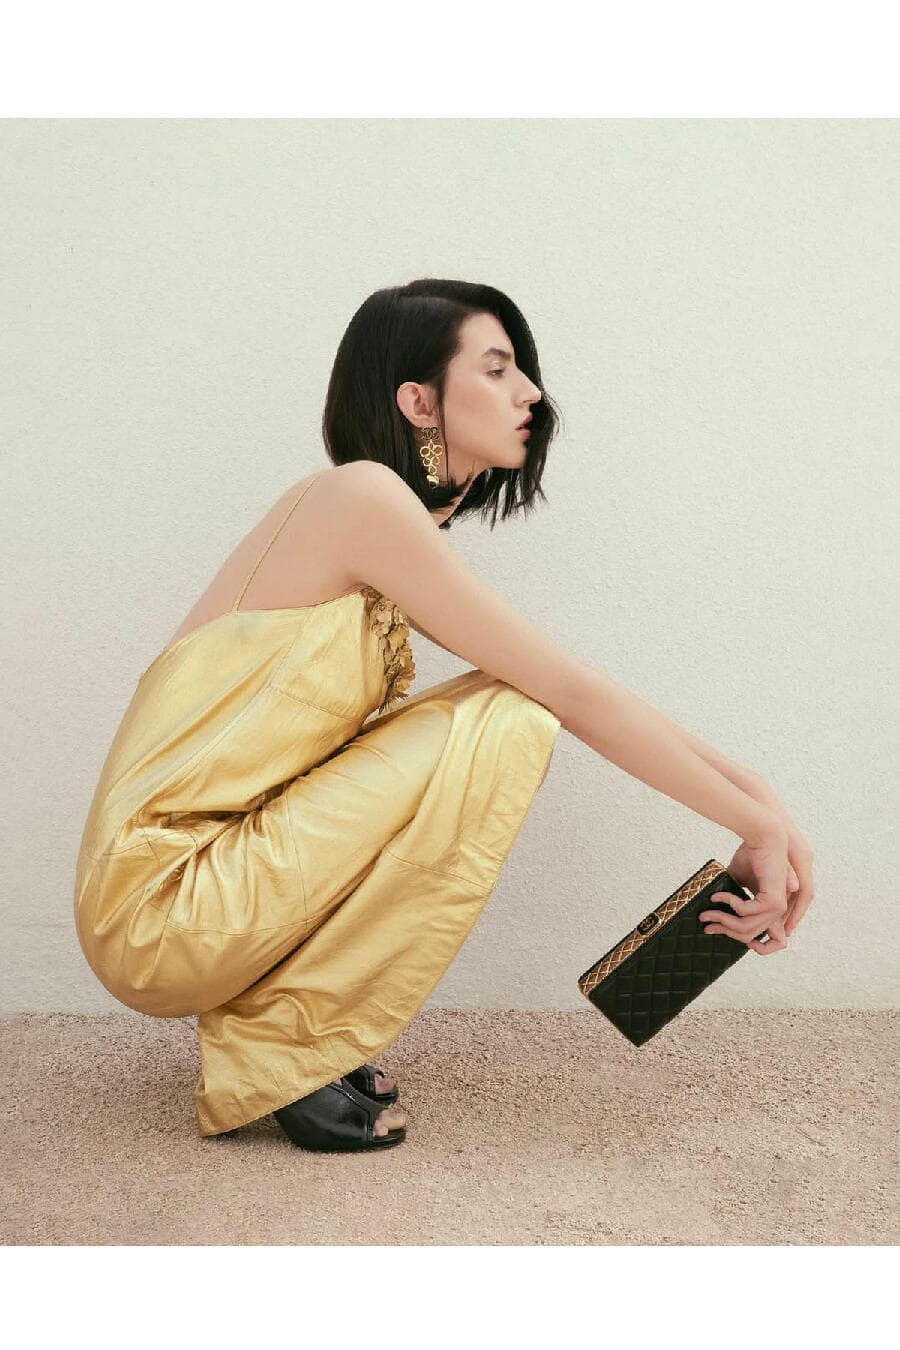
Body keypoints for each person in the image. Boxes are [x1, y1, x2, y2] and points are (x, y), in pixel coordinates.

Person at [72, 277, 815, 1154]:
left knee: (511, 700)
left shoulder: (378, 529)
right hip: (161, 905)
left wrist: (756, 797)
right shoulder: (360, 498)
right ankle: (284, 1044)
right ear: (418, 402)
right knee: (511, 713)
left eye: (521, 370)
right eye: (496, 370)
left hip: (213, 883)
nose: (530, 392)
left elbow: (569, 682)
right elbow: (568, 692)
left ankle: (289, 1030)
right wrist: (756, 821)